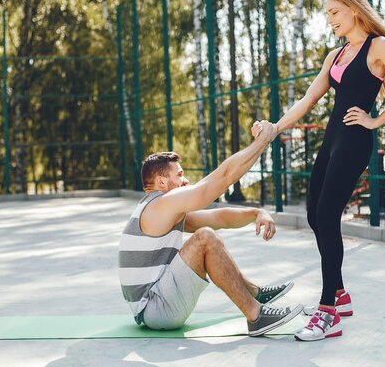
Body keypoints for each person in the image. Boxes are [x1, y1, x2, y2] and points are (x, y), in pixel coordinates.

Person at [254, 0, 385, 341]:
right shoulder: (336, 54)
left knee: (327, 216)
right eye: (327, 14)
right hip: (332, 140)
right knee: (315, 214)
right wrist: (274, 127)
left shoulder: (379, 47)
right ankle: (340, 295)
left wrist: (375, 121)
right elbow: (308, 98)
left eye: (334, 13)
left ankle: (329, 311)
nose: (329, 20)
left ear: (353, 10)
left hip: (355, 140)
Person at [119, 120, 303, 337]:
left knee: (206, 233)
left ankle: (255, 294)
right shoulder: (159, 204)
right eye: (179, 175)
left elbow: (218, 217)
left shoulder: (160, 210)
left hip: (155, 305)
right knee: (205, 238)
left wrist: (256, 213)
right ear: (160, 182)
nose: (185, 180)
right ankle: (257, 316)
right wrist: (262, 142)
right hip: (156, 307)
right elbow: (222, 178)